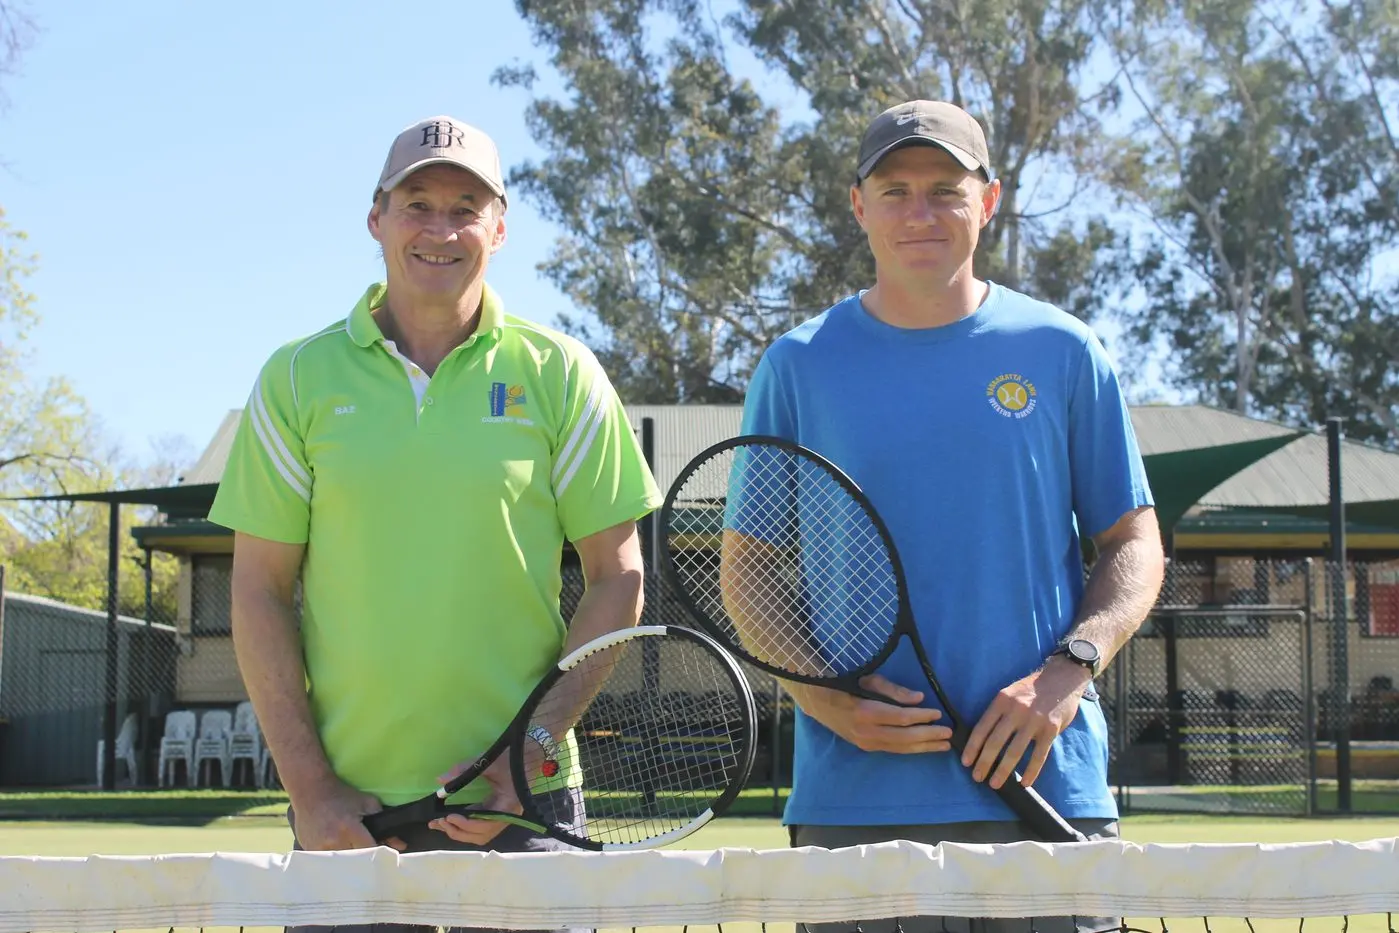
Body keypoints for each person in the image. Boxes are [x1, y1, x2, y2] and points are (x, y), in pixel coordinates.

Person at [738, 100, 1166, 933]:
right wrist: (822, 698)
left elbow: (1132, 541)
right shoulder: (797, 364)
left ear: (989, 200)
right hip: (855, 802)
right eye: (894, 191)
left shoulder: (1064, 350)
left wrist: (1067, 671)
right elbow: (747, 567)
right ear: (858, 205)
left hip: (1050, 785)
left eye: (944, 189)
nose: (920, 212)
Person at [208, 115, 662, 878]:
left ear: (499, 229)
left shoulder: (560, 371)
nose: (440, 230)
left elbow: (617, 577)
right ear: (376, 218)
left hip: (521, 802)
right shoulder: (296, 377)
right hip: (348, 813)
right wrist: (310, 786)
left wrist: (531, 747)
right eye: (417, 204)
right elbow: (258, 589)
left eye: (464, 208)